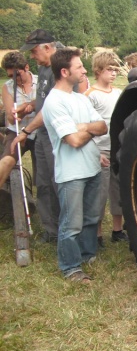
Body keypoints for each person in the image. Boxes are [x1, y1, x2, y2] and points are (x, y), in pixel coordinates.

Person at [12, 29, 89, 243]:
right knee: (43, 182)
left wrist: (26, 131)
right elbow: (43, 101)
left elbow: (51, 109)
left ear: (48, 47)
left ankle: (69, 232)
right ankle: (51, 230)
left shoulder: (62, 68)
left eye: (34, 51)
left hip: (58, 134)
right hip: (42, 134)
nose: (32, 57)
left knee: (60, 183)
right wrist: (28, 106)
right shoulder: (44, 67)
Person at [41, 47, 107, 282]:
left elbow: (103, 127)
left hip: (92, 167)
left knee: (91, 218)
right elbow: (75, 140)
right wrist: (88, 127)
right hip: (71, 173)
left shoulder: (80, 98)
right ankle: (70, 267)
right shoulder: (54, 102)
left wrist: (83, 126)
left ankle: (88, 255)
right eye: (79, 67)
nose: (84, 70)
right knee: (71, 223)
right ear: (64, 71)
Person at [84, 50, 128, 247]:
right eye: (109, 70)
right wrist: (95, 152)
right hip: (99, 151)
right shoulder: (89, 96)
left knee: (118, 192)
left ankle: (117, 230)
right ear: (98, 70)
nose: (113, 74)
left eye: (115, 70)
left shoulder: (119, 93)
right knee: (99, 194)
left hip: (117, 150)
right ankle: (97, 233)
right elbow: (85, 126)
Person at [0, 52, 37, 190]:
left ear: (26, 67)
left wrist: (31, 105)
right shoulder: (7, 87)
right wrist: (21, 111)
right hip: (16, 130)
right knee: (7, 160)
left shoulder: (40, 82)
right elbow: (10, 117)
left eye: (18, 75)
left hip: (39, 131)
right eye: (11, 76)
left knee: (44, 176)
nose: (15, 79)